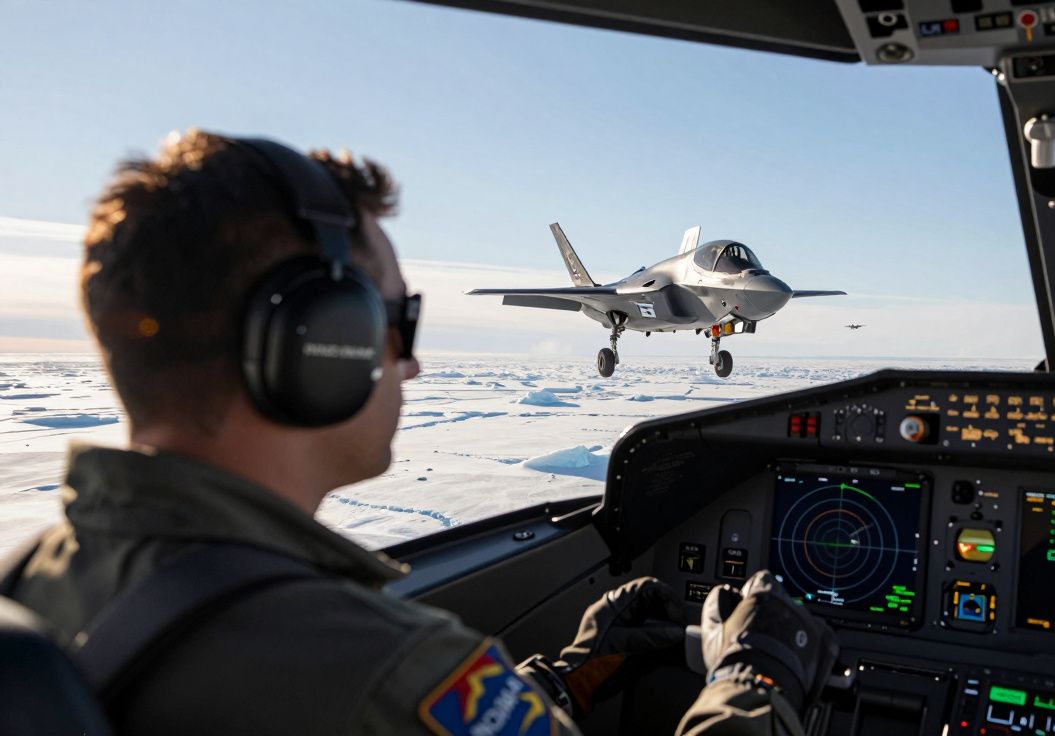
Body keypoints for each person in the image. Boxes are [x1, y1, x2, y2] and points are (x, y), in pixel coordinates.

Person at [3, 130, 837, 735]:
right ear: (316, 342)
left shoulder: (28, 586)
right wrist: (754, 683)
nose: (411, 365)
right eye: (391, 322)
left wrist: (567, 677)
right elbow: (392, 695)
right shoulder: (385, 664)